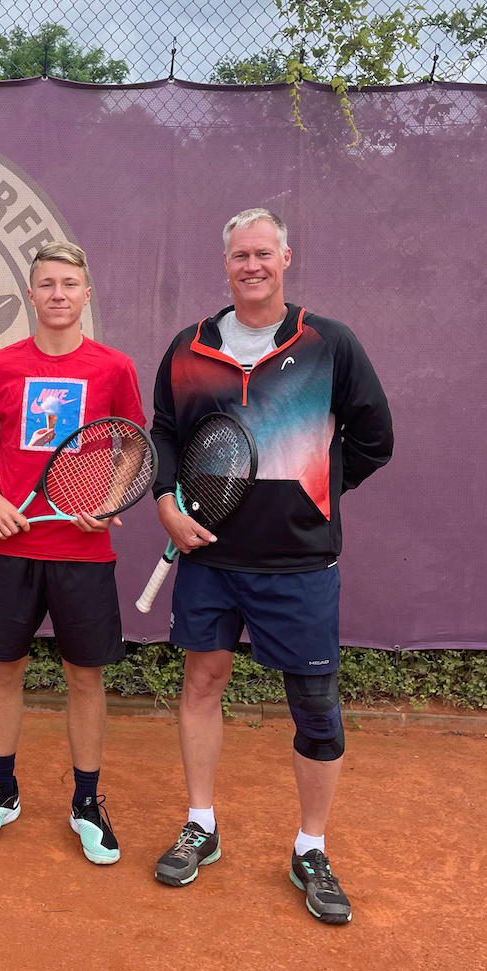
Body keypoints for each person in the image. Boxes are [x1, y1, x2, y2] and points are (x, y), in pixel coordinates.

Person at [149, 208, 393, 922]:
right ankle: (201, 823)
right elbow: (165, 434)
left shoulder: (330, 343)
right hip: (209, 558)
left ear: (286, 256)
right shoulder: (188, 346)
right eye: (237, 256)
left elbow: (372, 437)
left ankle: (309, 847)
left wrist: (311, 490)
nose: (250, 265)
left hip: (299, 562)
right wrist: (166, 502)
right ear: (224, 264)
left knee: (314, 709)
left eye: (262, 253)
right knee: (202, 681)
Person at [0, 241, 146, 865]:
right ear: (30, 296)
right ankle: (2, 793)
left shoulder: (114, 368)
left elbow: (134, 445)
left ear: (87, 295)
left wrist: (111, 502)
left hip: (85, 554)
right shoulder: (1, 366)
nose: (58, 294)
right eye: (46, 285)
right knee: (4, 669)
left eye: (70, 284)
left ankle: (86, 802)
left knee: (85, 676)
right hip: (12, 549)